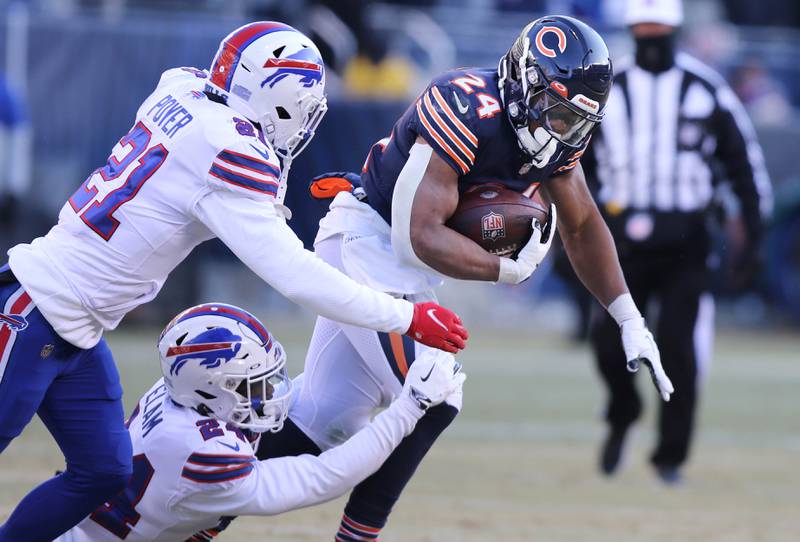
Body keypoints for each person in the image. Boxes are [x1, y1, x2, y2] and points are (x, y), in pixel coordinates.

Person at [0, 22, 468, 542]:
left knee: (104, 471)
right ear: (280, 100)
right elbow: (293, 273)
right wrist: (404, 314)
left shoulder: (181, 90)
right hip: (34, 309)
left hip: (78, 328)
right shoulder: (229, 153)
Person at [256, 15, 674, 540]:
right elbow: (417, 235)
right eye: (555, 112)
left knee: (322, 422)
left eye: (575, 120)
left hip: (396, 265)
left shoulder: (556, 134)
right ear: (525, 81)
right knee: (432, 395)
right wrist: (507, 269)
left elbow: (583, 223)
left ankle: (196, 500)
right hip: (367, 244)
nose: (561, 130)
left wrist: (629, 318)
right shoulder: (462, 104)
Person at [55, 303, 464, 542]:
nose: (268, 392)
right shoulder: (207, 455)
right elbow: (325, 477)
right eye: (252, 384)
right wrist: (410, 406)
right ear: (213, 386)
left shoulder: (175, 393)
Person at [583, 0, 772, 484]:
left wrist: (754, 235)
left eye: (658, 29)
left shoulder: (706, 89)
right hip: (619, 235)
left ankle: (670, 455)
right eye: (641, 29)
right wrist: (568, 231)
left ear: (674, 30)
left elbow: (745, 164)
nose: (650, 38)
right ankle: (622, 414)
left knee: (678, 347)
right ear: (630, 30)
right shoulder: (607, 88)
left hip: (686, 237)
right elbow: (573, 161)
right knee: (607, 341)